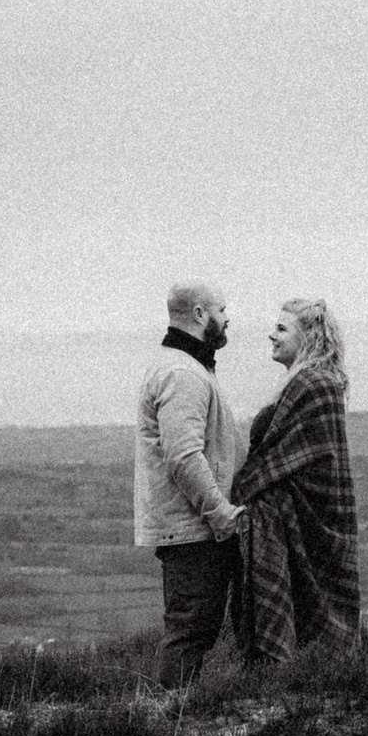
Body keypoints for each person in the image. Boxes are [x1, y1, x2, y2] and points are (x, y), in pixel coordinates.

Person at [230, 297, 362, 665]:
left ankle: (302, 681)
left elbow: (303, 460)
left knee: (315, 613)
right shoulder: (302, 381)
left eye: (282, 328)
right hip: (288, 515)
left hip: (309, 517)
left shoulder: (314, 384)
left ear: (309, 338)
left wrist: (249, 486)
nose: (271, 334)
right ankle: (292, 679)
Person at [134, 281, 244, 688]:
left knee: (195, 631)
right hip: (193, 530)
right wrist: (221, 515)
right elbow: (183, 456)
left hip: (193, 527)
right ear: (200, 314)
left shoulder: (188, 367)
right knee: (189, 632)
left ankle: (175, 719)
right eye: (221, 308)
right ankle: (171, 724)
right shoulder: (183, 373)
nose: (227, 316)